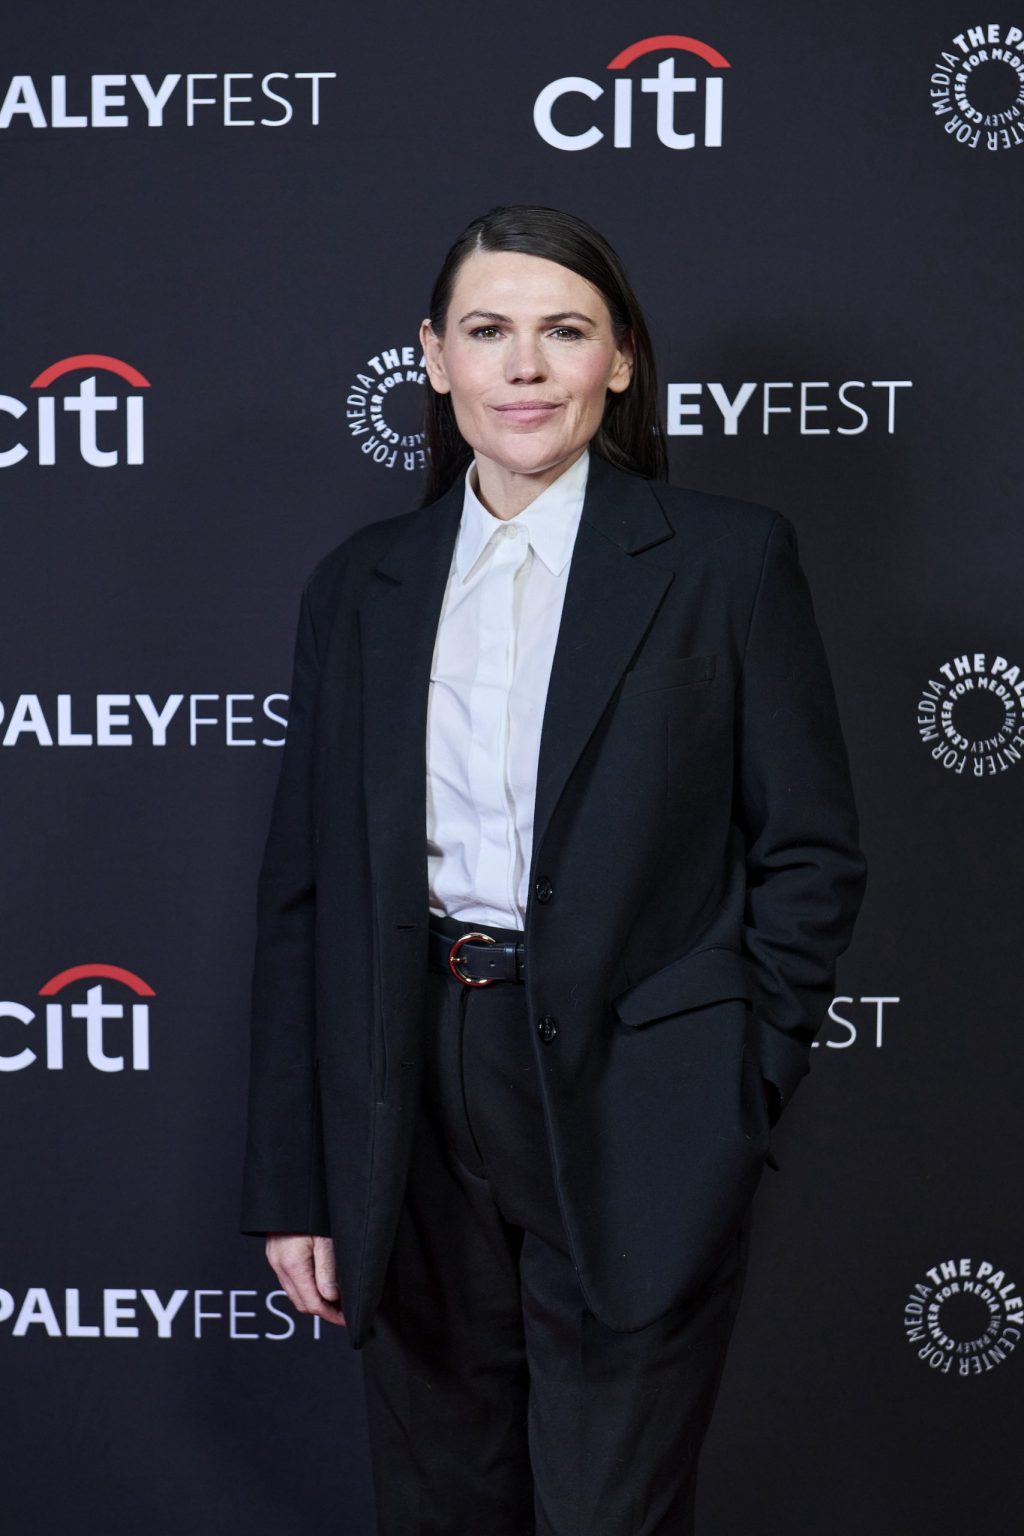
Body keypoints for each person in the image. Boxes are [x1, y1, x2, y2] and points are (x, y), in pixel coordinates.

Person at [241, 203, 868, 1534]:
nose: (524, 368)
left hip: (636, 1101)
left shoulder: (724, 561)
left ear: (620, 360)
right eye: (488, 332)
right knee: (441, 1502)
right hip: (410, 1093)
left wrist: (733, 1082)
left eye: (563, 332)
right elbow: (306, 896)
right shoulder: (360, 586)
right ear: (434, 358)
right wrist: (300, 1178)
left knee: (609, 1511)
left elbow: (810, 848)